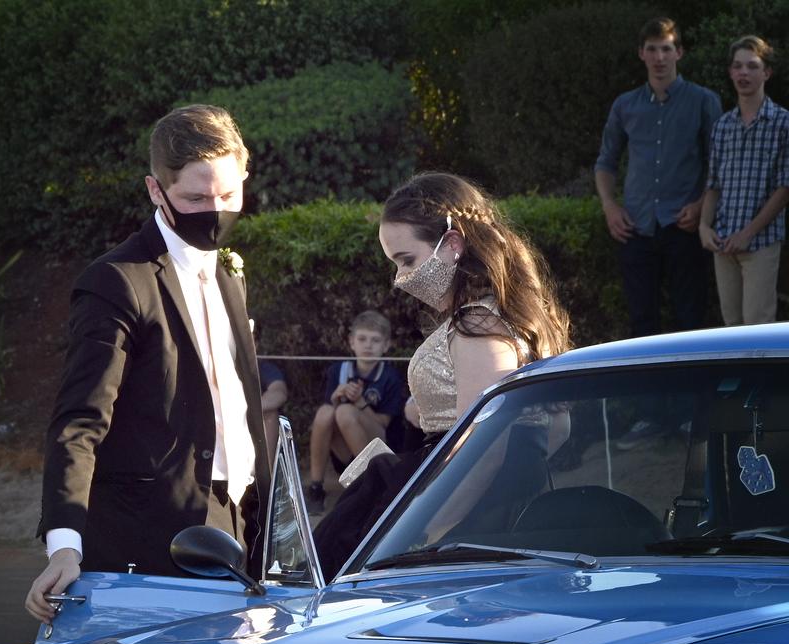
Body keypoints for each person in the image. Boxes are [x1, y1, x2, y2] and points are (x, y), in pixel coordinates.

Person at [25, 105, 270, 624]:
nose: (215, 210)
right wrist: (65, 544)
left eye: (228, 195)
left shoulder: (231, 276)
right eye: (195, 198)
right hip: (146, 538)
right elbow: (78, 423)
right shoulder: (117, 281)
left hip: (239, 525)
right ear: (157, 191)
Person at [312, 172, 571, 578]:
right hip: (486, 490)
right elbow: (556, 429)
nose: (400, 280)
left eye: (406, 261)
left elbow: (481, 451)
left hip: (473, 505)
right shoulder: (495, 318)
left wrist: (421, 531)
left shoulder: (478, 325)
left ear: (451, 245)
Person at [594, 17, 720, 448]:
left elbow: (717, 161)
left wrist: (703, 204)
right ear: (642, 54)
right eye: (652, 48)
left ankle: (694, 418)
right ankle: (651, 417)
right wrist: (610, 206)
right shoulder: (626, 105)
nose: (660, 57)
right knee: (642, 324)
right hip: (637, 228)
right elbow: (605, 163)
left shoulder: (704, 101)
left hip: (683, 226)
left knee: (690, 323)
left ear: (679, 53)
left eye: (667, 48)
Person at [699, 35, 789, 326]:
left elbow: (785, 188)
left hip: (760, 243)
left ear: (766, 72)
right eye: (738, 66)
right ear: (730, 72)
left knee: (758, 328)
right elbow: (713, 185)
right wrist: (703, 226)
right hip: (723, 243)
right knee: (731, 330)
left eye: (752, 66)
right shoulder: (723, 125)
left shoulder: (783, 123)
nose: (744, 73)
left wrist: (748, 233)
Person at [305, 309, 405, 515]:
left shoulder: (390, 376)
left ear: (386, 345)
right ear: (351, 342)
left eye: (375, 340)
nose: (368, 345)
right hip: (344, 451)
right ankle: (316, 487)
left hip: (381, 447)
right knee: (326, 412)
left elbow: (384, 423)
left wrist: (359, 402)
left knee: (345, 413)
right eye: (362, 339)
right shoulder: (337, 370)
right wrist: (335, 399)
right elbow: (328, 417)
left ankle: (372, 483)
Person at [258, 357, 288, 464]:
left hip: (249, 419)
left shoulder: (263, 368)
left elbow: (279, 393)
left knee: (270, 414)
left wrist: (246, 409)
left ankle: (266, 475)